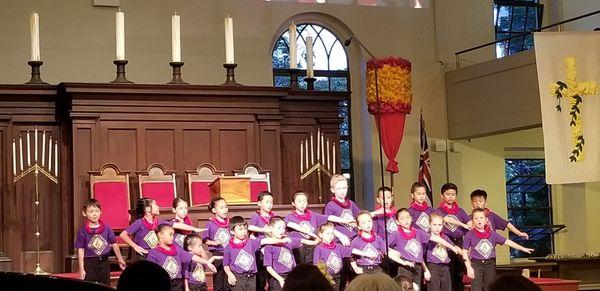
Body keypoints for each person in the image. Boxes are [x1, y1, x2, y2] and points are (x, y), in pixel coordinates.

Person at [463, 209, 534, 291]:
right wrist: (468, 267)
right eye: (476, 218)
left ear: (486, 220)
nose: (479, 220)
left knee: (490, 287)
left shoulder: (492, 234)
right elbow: (465, 252)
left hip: (490, 264)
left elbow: (507, 241)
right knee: (476, 287)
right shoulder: (469, 235)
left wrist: (522, 248)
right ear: (472, 221)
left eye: (481, 218)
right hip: (476, 264)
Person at [389, 208, 461, 289]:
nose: (406, 220)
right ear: (397, 221)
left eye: (408, 217)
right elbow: (385, 248)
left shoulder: (418, 232)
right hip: (405, 267)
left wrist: (451, 246)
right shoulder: (396, 234)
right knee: (404, 288)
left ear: (411, 218)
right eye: (402, 218)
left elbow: (435, 238)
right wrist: (400, 259)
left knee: (417, 288)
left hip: (418, 267)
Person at [120, 198, 203, 261]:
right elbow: (123, 235)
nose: (158, 207)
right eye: (155, 205)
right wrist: (135, 246)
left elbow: (177, 225)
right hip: (143, 256)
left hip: (155, 254)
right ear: (148, 209)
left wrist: (194, 228)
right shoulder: (139, 223)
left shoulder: (158, 222)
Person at [224, 216, 292, 291]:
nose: (244, 231)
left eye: (245, 229)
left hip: (251, 278)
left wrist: (281, 241)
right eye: (240, 229)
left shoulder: (251, 243)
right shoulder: (228, 247)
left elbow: (265, 241)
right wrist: (229, 274)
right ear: (232, 231)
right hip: (237, 278)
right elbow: (226, 264)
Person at [285, 191, 355, 264]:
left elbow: (329, 218)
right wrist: (311, 234)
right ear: (293, 203)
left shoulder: (313, 215)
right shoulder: (289, 217)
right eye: (299, 201)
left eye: (304, 201)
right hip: (299, 251)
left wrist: (346, 221)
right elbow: (291, 225)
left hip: (313, 249)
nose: (302, 204)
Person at [147, 224, 216, 291]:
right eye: (170, 234)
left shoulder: (177, 249)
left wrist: (207, 262)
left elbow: (192, 257)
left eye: (173, 235)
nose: (172, 237)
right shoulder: (153, 253)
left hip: (177, 284)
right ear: (160, 235)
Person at [313, 222, 378, 291]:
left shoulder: (337, 246)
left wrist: (366, 254)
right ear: (321, 234)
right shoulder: (319, 248)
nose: (330, 236)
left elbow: (351, 250)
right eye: (328, 234)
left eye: (332, 233)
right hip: (325, 278)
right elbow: (316, 264)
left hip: (337, 277)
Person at [75, 198, 126, 285]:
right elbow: (81, 249)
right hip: (90, 262)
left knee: (105, 284)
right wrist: (81, 268)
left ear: (101, 212)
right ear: (84, 213)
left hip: (104, 262)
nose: (94, 214)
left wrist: (120, 259)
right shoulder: (82, 231)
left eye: (97, 211)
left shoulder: (106, 228)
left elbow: (114, 243)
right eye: (91, 212)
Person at [324, 174, 360, 290]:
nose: (342, 191)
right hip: (340, 241)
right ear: (333, 190)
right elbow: (327, 225)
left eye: (344, 188)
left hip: (353, 239)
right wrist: (340, 235)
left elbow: (358, 218)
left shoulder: (351, 204)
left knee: (355, 272)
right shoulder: (330, 205)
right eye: (339, 188)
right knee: (343, 272)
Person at [263, 216, 318, 291]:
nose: (282, 230)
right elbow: (268, 267)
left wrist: (316, 240)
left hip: (290, 277)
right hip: (277, 279)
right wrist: (280, 279)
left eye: (283, 228)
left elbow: (303, 241)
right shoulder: (269, 246)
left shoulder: (288, 241)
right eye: (279, 228)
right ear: (271, 229)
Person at [433, 183, 470, 291]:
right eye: (448, 194)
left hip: (459, 242)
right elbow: (445, 219)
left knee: (459, 271)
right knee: (448, 271)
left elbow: (469, 222)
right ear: (442, 195)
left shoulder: (460, 211)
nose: (450, 197)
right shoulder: (438, 211)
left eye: (453, 194)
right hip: (445, 243)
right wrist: (462, 224)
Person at [425, 213, 462, 291]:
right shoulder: (427, 237)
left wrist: (464, 253)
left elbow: (454, 247)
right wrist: (425, 270)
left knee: (447, 288)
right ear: (429, 225)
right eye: (435, 225)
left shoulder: (444, 237)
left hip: (445, 267)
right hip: (433, 267)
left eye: (440, 225)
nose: (437, 227)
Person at [202, 197, 231, 291]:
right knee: (218, 279)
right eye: (222, 207)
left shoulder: (230, 222)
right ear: (214, 210)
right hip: (217, 254)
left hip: (229, 253)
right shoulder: (210, 224)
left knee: (228, 280)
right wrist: (214, 243)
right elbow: (205, 240)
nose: (225, 209)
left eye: (226, 207)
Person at [248, 191, 275, 291]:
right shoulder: (256, 217)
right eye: (267, 202)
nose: (269, 205)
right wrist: (264, 230)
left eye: (271, 202)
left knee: (272, 277)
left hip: (272, 249)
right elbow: (250, 227)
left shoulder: (273, 217)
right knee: (261, 277)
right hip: (261, 251)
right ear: (259, 203)